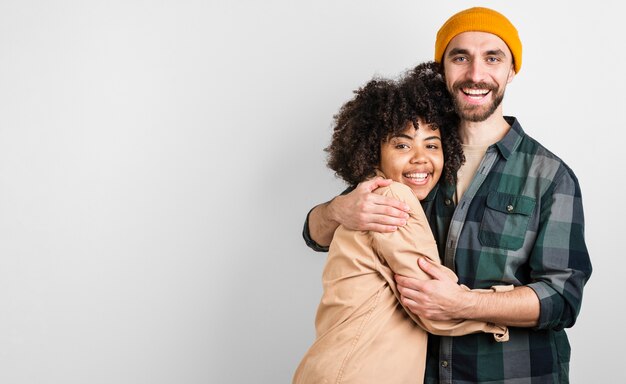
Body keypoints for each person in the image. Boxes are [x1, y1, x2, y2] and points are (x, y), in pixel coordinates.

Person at [302, 7, 592, 384]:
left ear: (511, 70)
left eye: (492, 57)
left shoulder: (549, 175)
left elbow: (563, 298)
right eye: (460, 57)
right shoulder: (418, 159)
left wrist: (464, 303)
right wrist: (340, 208)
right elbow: (315, 234)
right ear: (442, 70)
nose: (475, 74)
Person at [294, 62, 509, 384]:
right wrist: (499, 319)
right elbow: (432, 306)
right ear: (373, 152)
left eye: (432, 145)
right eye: (402, 144)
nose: (420, 157)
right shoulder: (393, 197)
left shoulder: (368, 196)